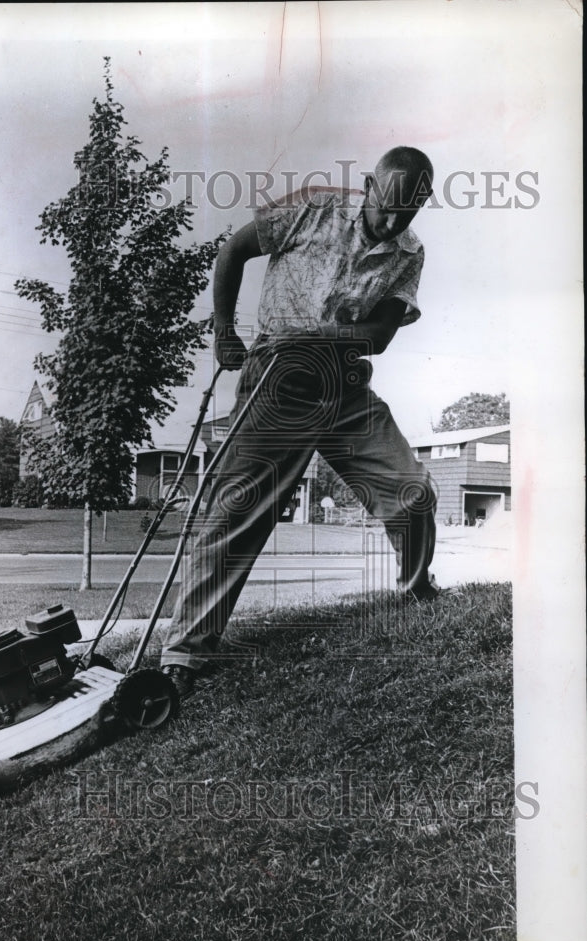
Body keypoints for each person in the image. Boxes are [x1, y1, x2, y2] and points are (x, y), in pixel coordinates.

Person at [161, 146, 440, 696]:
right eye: (386, 206)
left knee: (412, 491)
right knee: (238, 511)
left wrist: (311, 337)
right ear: (368, 184)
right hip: (276, 379)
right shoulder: (311, 207)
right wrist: (223, 332)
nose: (392, 222)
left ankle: (417, 586)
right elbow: (233, 251)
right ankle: (185, 653)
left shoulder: (409, 252)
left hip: (344, 385)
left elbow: (378, 338)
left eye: (407, 212)